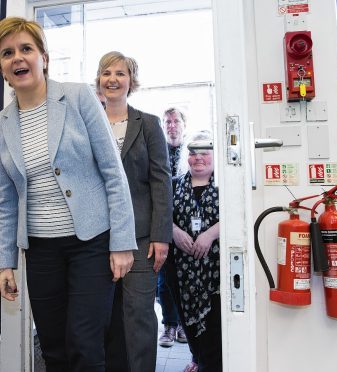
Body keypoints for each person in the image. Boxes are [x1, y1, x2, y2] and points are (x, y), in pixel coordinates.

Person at [0, 17, 137, 372]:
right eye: (7, 53)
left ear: (43, 57)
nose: (17, 58)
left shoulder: (77, 96)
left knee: (85, 346)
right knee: (54, 348)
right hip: (40, 250)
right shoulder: (1, 123)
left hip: (90, 242)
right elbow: (5, 199)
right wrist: (5, 261)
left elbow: (112, 172)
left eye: (26, 48)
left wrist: (121, 242)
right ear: (2, 68)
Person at [97, 51, 173, 372]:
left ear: (131, 81)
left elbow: (161, 182)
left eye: (120, 73)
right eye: (106, 73)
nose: (113, 79)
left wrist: (161, 236)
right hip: (96, 238)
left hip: (142, 239)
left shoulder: (149, 124)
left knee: (139, 318)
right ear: (99, 81)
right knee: (104, 319)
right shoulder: (89, 123)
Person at [169, 130, 221, 372]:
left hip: (215, 269)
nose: (198, 158)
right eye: (193, 153)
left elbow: (237, 213)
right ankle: (197, 357)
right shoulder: (173, 185)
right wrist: (174, 232)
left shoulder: (225, 185)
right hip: (181, 268)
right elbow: (158, 214)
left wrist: (210, 234)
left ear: (215, 155)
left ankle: (209, 363)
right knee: (186, 314)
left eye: (205, 153)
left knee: (213, 320)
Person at [158, 107, 188, 347]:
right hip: (163, 222)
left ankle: (183, 325)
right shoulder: (158, 151)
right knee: (165, 278)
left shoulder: (191, 154)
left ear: (183, 125)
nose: (171, 125)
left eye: (175, 121)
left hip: (188, 224)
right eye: (167, 121)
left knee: (185, 277)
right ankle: (169, 326)